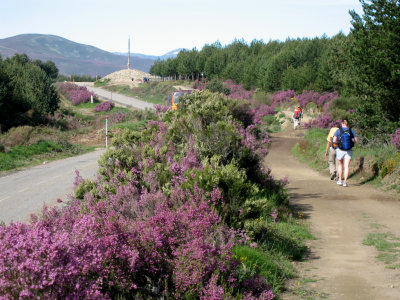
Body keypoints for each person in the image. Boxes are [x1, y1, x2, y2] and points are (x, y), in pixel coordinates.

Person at [333, 119, 358, 187]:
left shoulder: (338, 130)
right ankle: (345, 182)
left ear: (342, 123)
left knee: (340, 165)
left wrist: (337, 144)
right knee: (346, 166)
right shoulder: (351, 130)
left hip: (340, 150)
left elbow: (334, 140)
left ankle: (340, 180)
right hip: (349, 150)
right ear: (347, 124)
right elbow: (356, 140)